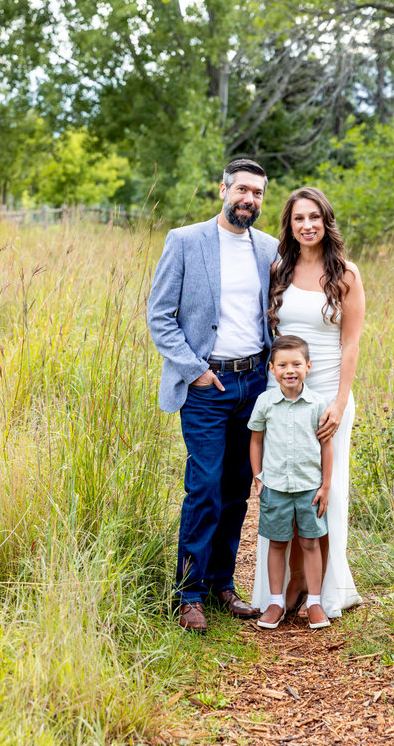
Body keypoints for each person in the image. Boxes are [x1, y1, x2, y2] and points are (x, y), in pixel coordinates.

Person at [147, 158, 278, 633]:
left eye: (258, 193)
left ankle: (224, 585)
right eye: (242, 189)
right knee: (204, 487)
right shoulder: (185, 241)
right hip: (207, 386)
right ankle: (189, 594)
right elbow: (160, 314)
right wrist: (195, 370)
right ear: (222, 189)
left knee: (238, 489)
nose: (249, 199)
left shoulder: (269, 248)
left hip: (254, 385)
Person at [251, 187, 365, 619]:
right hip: (281, 396)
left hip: (328, 396)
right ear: (290, 225)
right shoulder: (279, 268)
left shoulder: (346, 274)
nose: (308, 225)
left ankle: (326, 590)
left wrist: (338, 402)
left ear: (326, 221)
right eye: (299, 218)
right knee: (284, 484)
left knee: (325, 491)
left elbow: (351, 344)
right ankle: (289, 584)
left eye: (315, 217)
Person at [249, 334, 334, 630]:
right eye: (282, 364)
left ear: (308, 366)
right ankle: (275, 601)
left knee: (310, 542)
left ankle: (314, 603)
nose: (290, 370)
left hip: (309, 487)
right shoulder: (265, 402)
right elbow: (256, 440)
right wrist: (258, 476)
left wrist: (325, 486)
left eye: (296, 363)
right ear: (272, 369)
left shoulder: (317, 404)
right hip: (275, 487)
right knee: (277, 543)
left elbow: (326, 447)